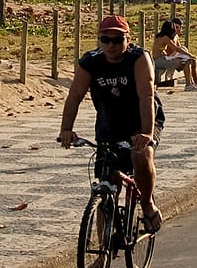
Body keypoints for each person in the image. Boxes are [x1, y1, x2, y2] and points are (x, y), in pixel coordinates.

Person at [57, 15, 163, 231]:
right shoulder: (91, 62)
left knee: (140, 154)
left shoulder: (138, 57)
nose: (111, 45)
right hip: (110, 121)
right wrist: (66, 129)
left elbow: (146, 96)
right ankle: (101, 254)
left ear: (127, 39)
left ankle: (147, 203)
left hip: (142, 118)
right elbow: (75, 96)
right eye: (106, 40)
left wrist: (147, 133)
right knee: (107, 181)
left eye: (117, 40)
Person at [153, 18, 197, 91]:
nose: (175, 29)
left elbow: (178, 48)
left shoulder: (167, 37)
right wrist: (189, 54)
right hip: (159, 61)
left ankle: (194, 82)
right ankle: (188, 85)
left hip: (165, 59)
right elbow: (176, 49)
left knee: (190, 60)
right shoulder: (164, 38)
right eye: (174, 27)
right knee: (185, 62)